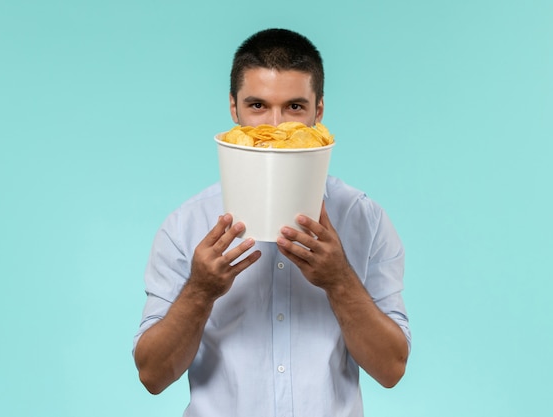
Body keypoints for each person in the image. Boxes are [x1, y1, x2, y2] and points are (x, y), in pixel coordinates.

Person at [133, 28, 411, 417]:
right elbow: (152, 375)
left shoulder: (364, 219)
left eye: (295, 107)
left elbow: (391, 369)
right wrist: (200, 291)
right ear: (234, 110)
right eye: (258, 106)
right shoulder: (186, 225)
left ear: (319, 112)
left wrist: (338, 280)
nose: (277, 130)